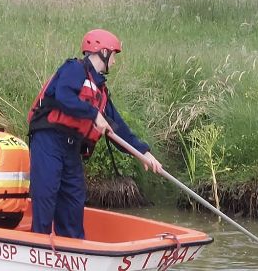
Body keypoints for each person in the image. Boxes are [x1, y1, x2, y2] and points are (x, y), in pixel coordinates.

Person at [27, 28, 162, 238]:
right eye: (114, 56)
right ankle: (38, 243)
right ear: (104, 52)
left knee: (74, 198)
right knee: (46, 193)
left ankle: (72, 247)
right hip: (48, 139)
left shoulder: (101, 91)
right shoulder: (74, 69)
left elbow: (117, 126)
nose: (115, 62)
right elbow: (64, 96)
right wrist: (93, 114)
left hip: (71, 147)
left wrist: (142, 152)